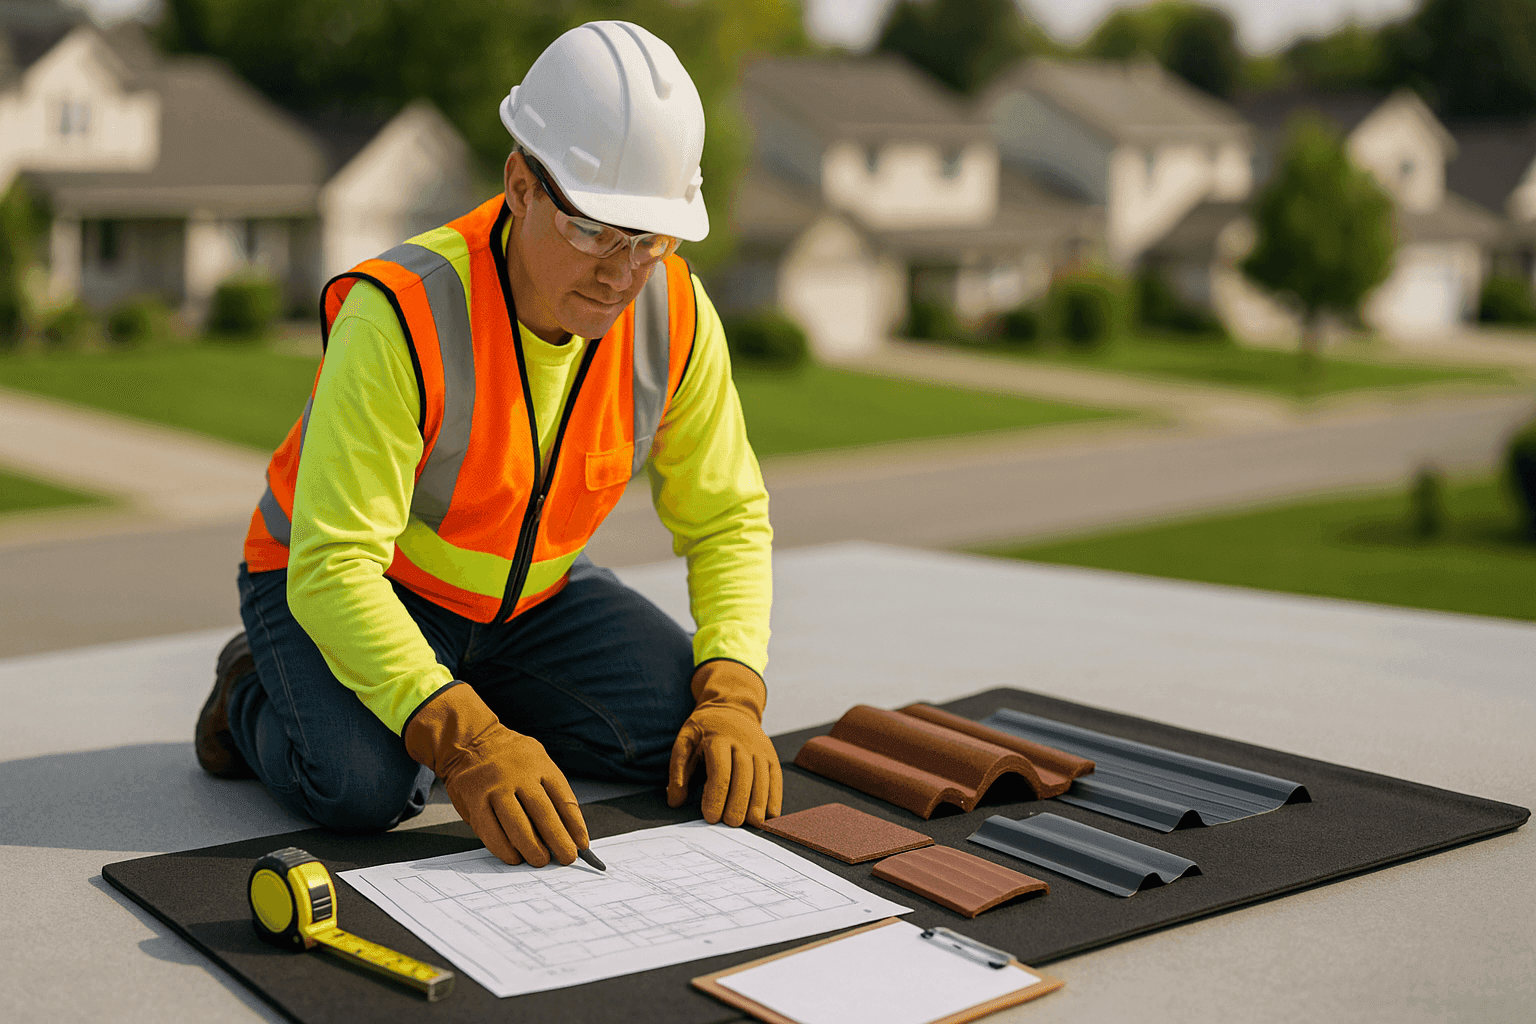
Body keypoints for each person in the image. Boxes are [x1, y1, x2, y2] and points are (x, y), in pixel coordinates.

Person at [194, 20, 780, 868]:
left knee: (679, 742)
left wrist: (734, 693)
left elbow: (727, 518)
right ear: (519, 184)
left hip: (530, 601)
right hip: (342, 584)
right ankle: (253, 686)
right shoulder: (400, 314)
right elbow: (334, 564)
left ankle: (471, 689)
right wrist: (465, 738)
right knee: (363, 790)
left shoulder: (677, 319)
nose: (621, 272)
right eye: (594, 229)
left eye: (650, 239)